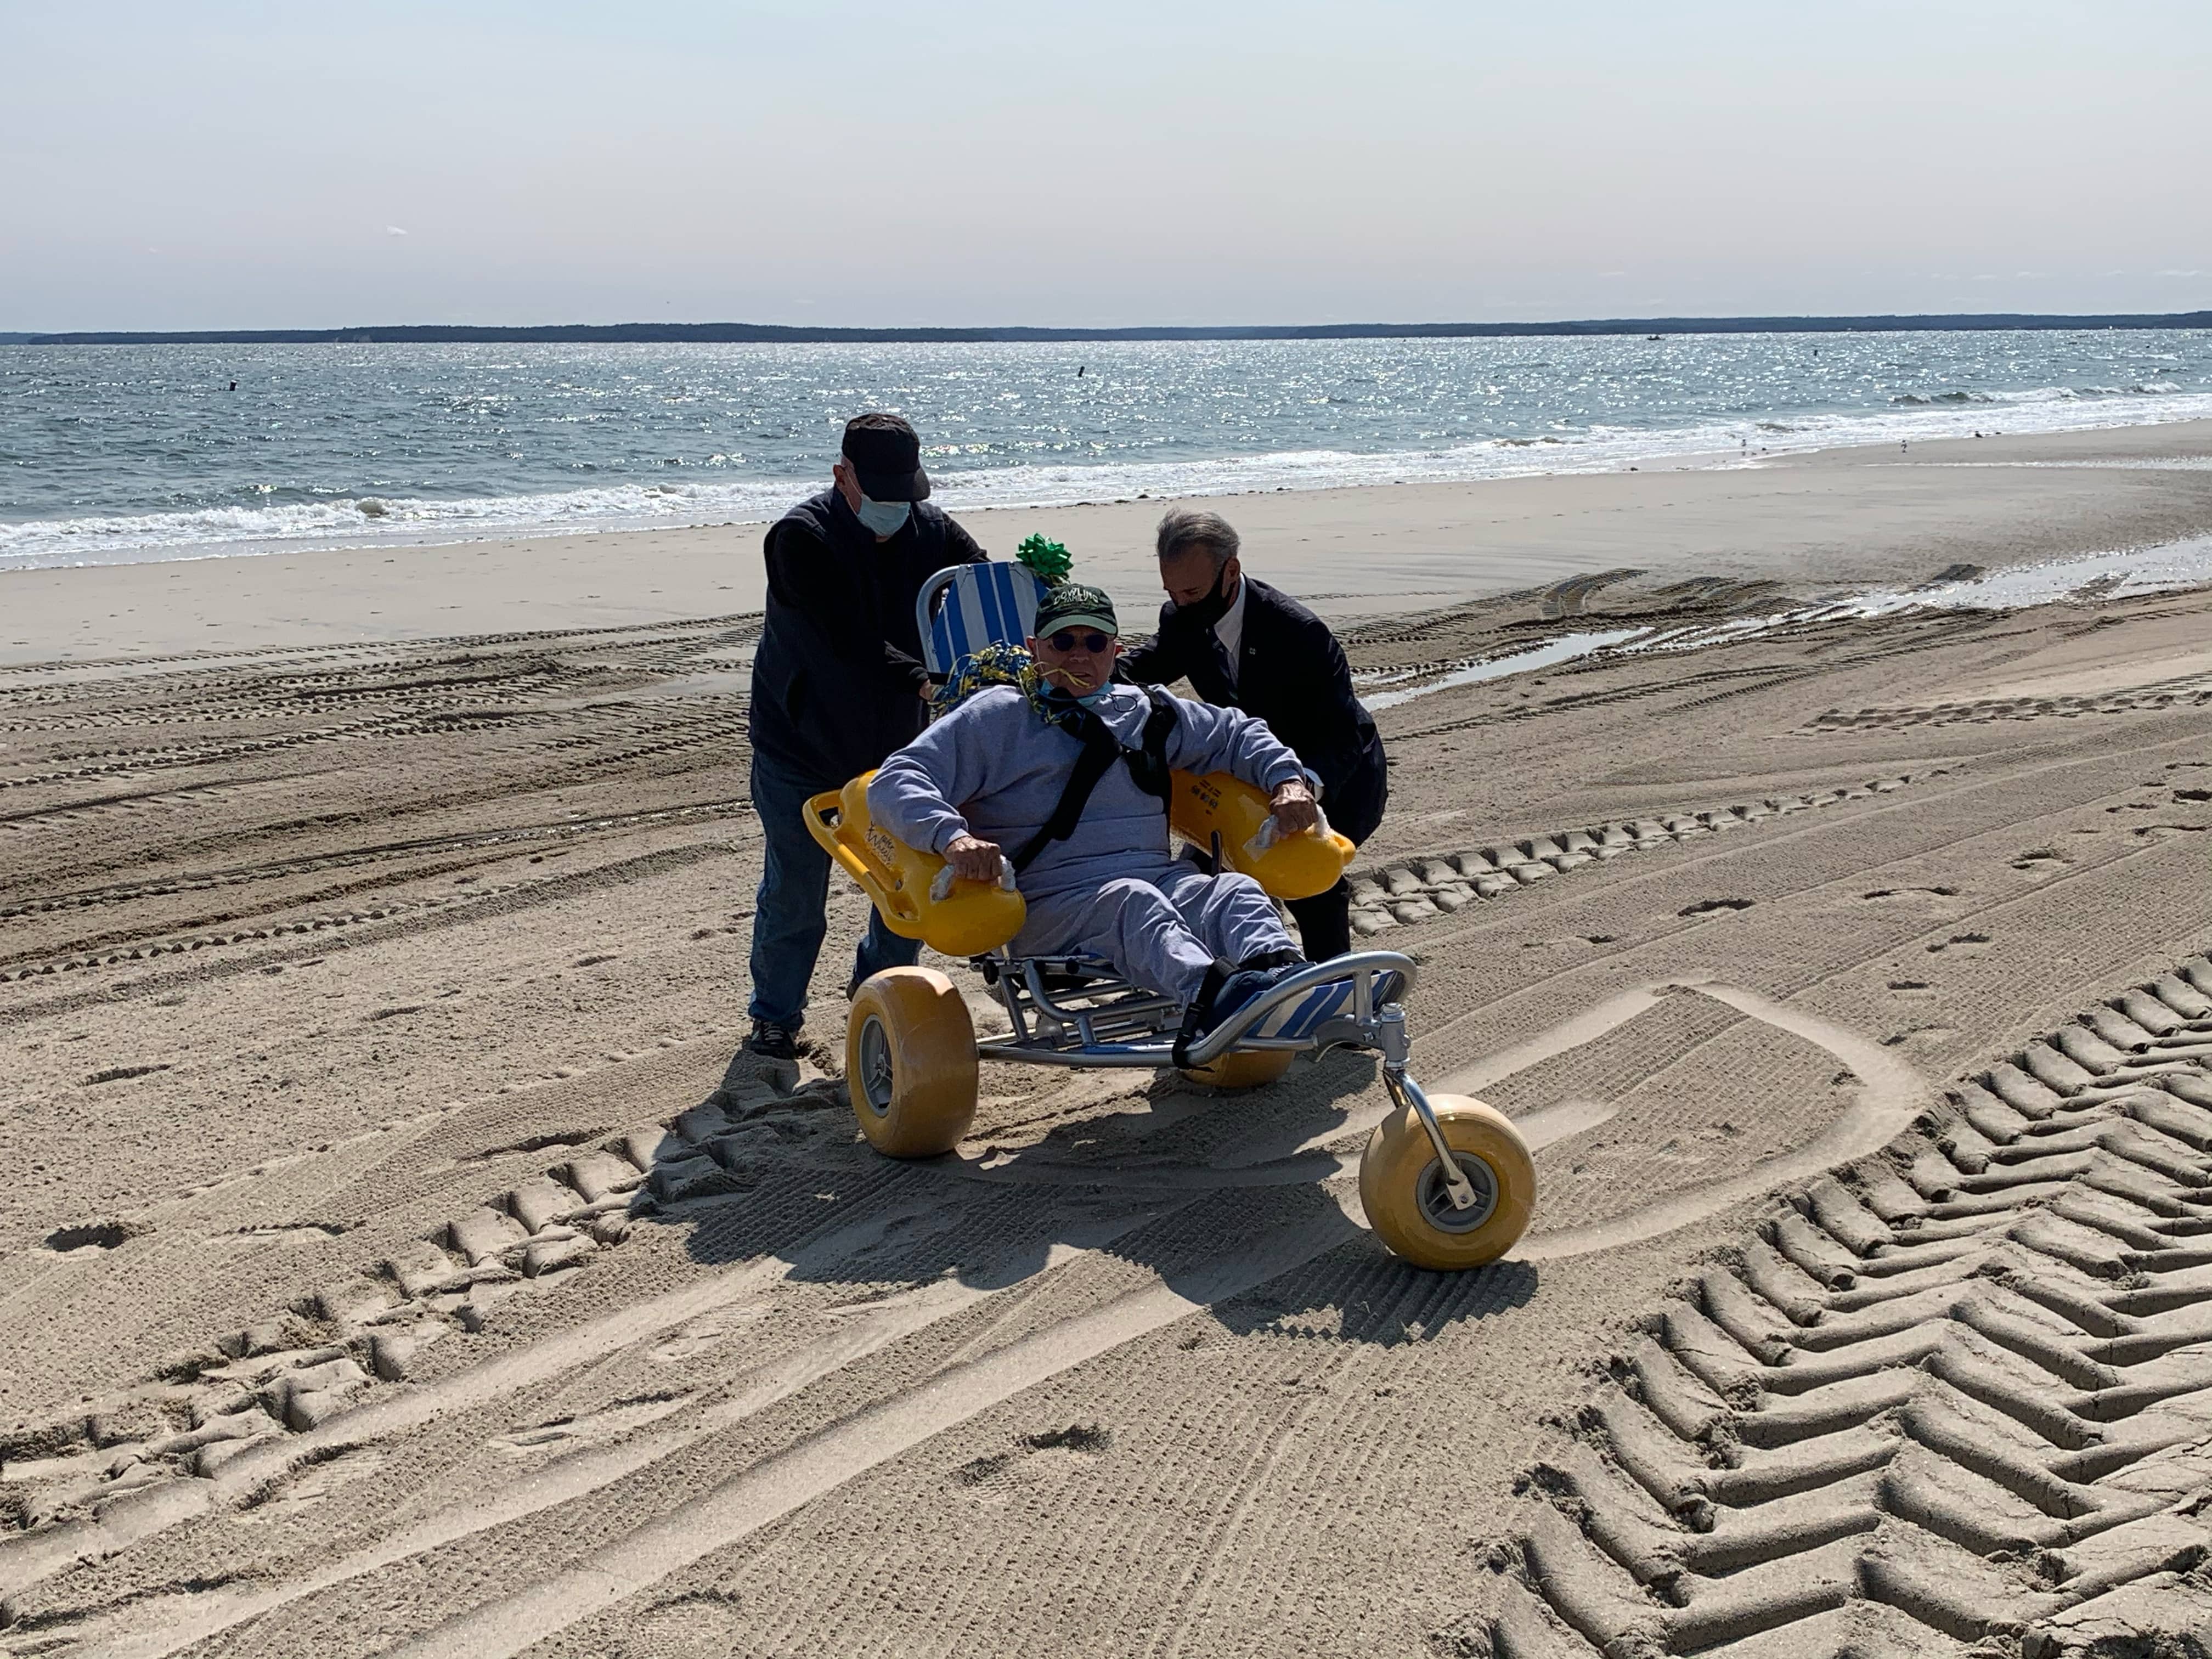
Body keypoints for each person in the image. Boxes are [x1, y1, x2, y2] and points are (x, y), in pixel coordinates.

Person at [867, 582, 1322, 1053]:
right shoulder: (996, 717)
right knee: (1132, 901)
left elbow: (1238, 733)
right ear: (1034, 648)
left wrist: (1287, 781)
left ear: (1115, 651)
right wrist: (952, 838)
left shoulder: (1148, 710)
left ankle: (1282, 982)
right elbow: (898, 778)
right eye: (1063, 642)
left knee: (1233, 890)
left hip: (1155, 881)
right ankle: (1219, 1000)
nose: (1078, 656)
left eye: (1095, 642)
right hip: (1047, 902)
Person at [743, 413, 987, 1060]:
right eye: (878, 496)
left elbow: (982, 588)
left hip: (895, 751)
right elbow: (844, 639)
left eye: (903, 496)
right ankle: (774, 1016)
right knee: (796, 892)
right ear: (841, 476)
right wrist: (925, 681)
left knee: (904, 889)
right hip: (799, 742)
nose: (893, 511)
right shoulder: (800, 539)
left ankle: (879, 1004)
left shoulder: (930, 529)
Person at [1120, 509, 1387, 961]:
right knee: (1203, 884)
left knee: (1309, 885)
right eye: (1173, 592)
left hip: (1335, 778)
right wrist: (1079, 669)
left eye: (1193, 591)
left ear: (1231, 571)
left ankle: (1336, 998)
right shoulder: (1182, 616)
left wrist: (1302, 788)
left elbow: (1342, 735)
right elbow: (1146, 668)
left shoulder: (1299, 632)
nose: (1183, 603)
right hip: (1245, 778)